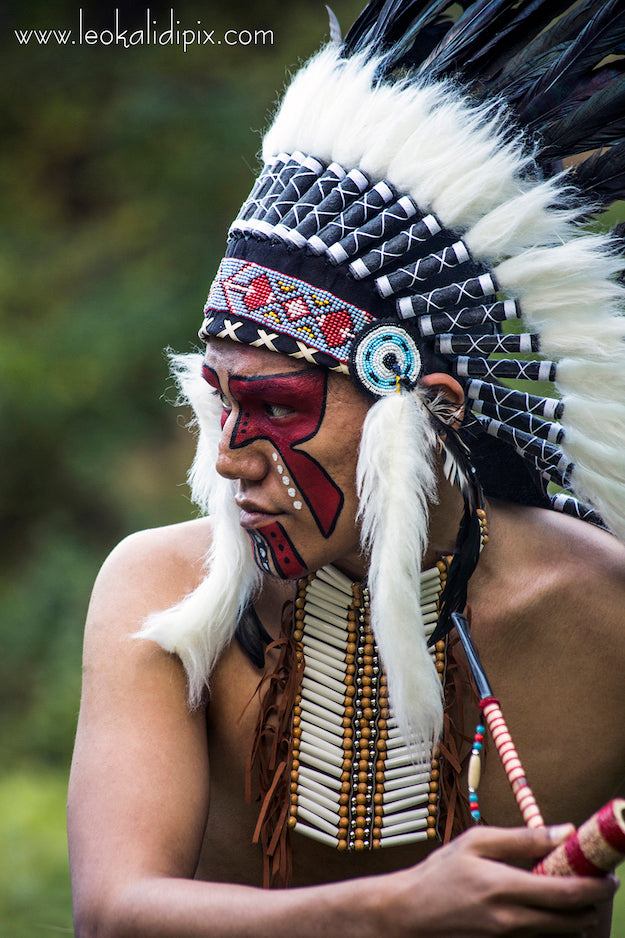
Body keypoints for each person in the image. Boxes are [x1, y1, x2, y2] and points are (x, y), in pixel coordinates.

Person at [68, 1, 625, 935]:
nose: (229, 458)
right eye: (221, 403)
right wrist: (404, 908)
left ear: (433, 407)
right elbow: (114, 913)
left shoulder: (603, 611)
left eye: (276, 408)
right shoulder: (158, 589)